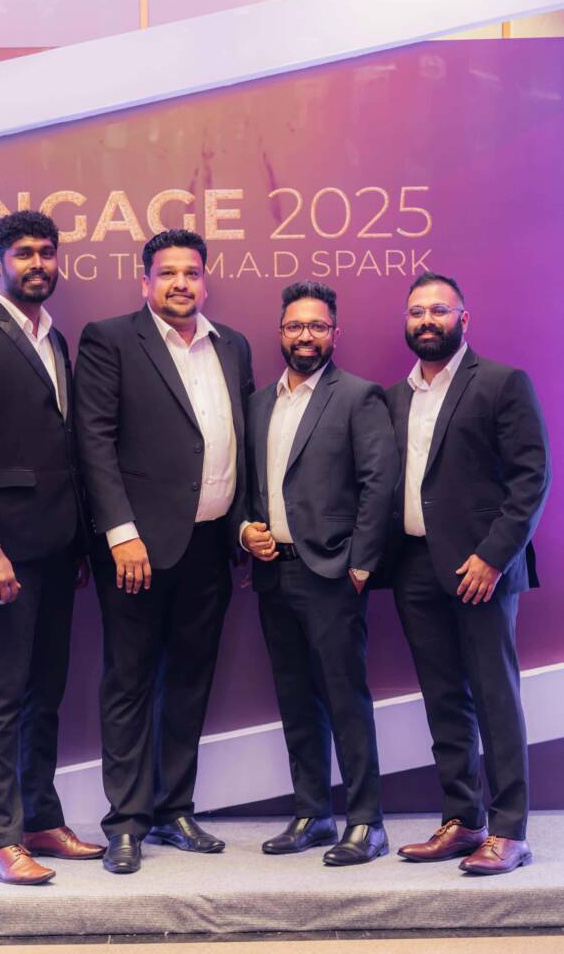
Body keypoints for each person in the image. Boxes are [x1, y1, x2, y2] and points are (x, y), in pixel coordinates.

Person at [74, 228, 254, 874]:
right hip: (137, 549)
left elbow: (242, 441)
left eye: (192, 272)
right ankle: (126, 822)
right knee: (129, 681)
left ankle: (174, 808)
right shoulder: (110, 339)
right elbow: (93, 441)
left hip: (210, 544)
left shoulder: (231, 344)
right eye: (168, 272)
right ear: (144, 280)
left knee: (188, 680)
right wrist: (120, 533)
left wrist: (241, 527)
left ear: (205, 280)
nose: (181, 283)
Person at [0, 211, 104, 885]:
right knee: (3, 693)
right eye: (24, 253)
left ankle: (39, 820)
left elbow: (63, 446)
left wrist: (80, 544)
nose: (38, 263)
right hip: (1, 551)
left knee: (45, 691)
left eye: (47, 252)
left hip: (58, 548)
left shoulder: (54, 338)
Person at [387, 272, 551, 875]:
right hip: (414, 567)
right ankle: (464, 819)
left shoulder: (502, 383)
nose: (426, 320)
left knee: (494, 696)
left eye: (439, 310)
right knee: (443, 699)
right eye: (416, 312)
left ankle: (510, 831)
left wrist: (493, 556)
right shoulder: (395, 396)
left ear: (464, 318)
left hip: (481, 568)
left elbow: (531, 477)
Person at [242, 281, 398, 866]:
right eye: (294, 326)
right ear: (280, 333)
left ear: (335, 333)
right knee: (294, 697)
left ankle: (366, 822)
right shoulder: (258, 403)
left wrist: (361, 563)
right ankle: (312, 813)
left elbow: (380, 484)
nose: (305, 336)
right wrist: (245, 530)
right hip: (272, 574)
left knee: (343, 697)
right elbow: (247, 485)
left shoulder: (358, 396)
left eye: (317, 326)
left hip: (333, 574)